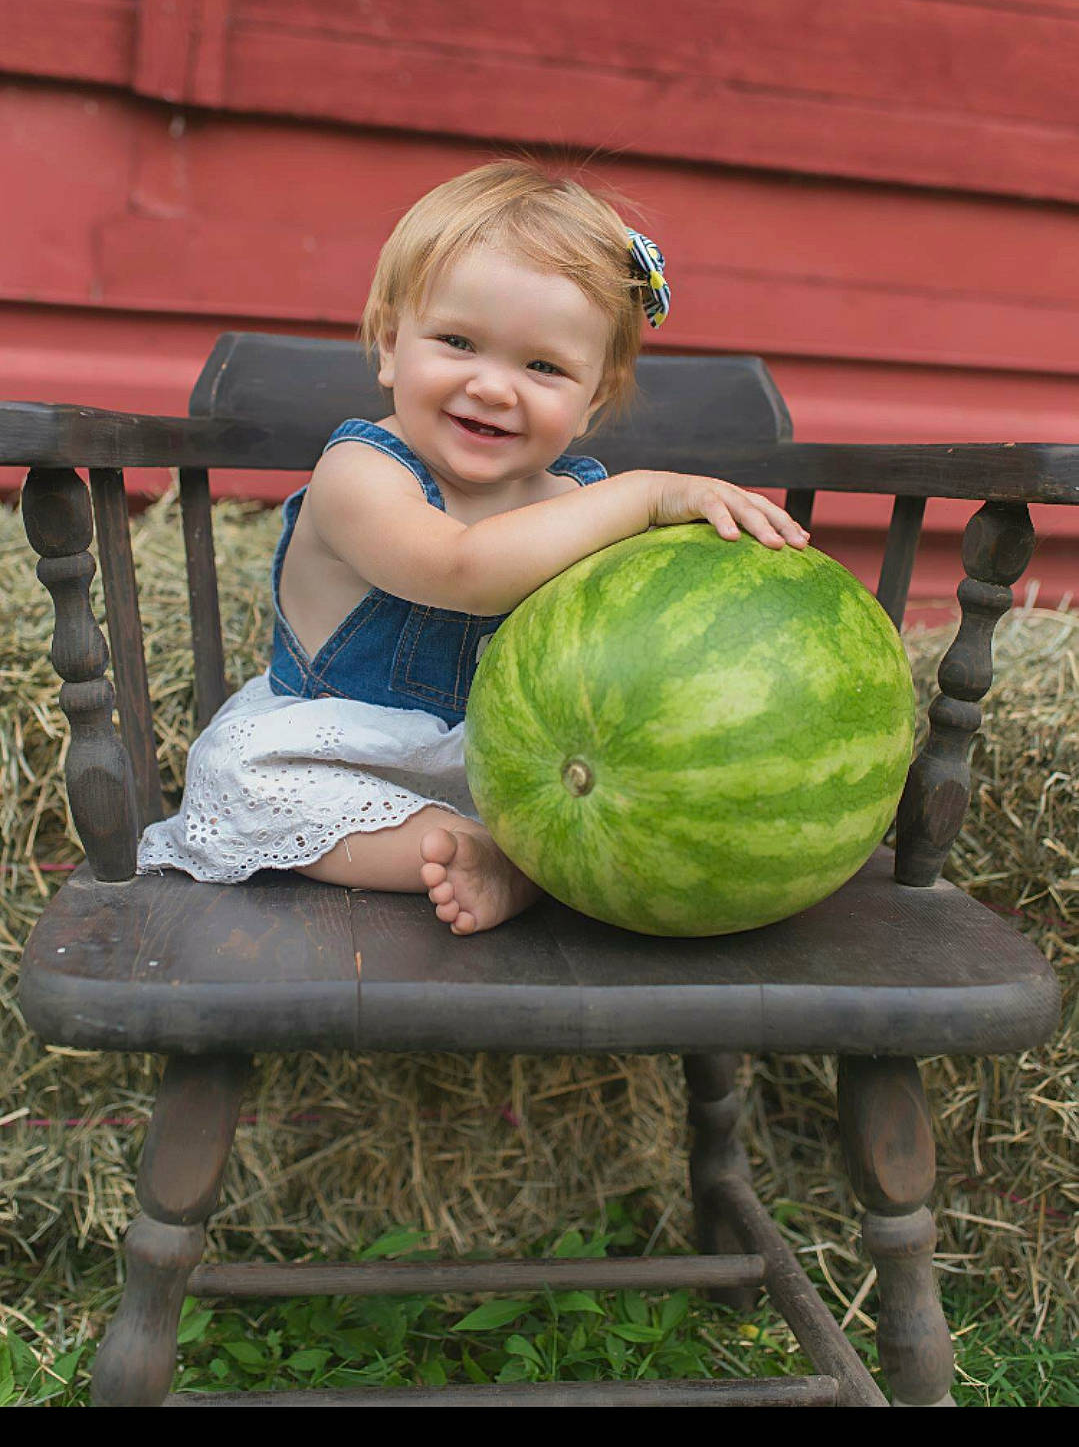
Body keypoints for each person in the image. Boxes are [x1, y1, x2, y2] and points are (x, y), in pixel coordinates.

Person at [138, 162, 809, 933]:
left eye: (542, 366)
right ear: (391, 346)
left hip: (511, 767)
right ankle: (486, 855)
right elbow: (464, 571)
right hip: (342, 752)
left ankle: (518, 844)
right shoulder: (359, 474)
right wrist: (646, 496)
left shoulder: (574, 502)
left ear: (591, 399)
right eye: (458, 342)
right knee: (241, 778)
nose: (493, 387)